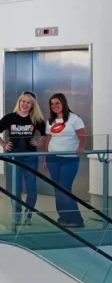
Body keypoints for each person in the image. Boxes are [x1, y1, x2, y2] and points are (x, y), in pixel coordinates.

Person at [0, 91, 47, 228]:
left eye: (29, 102)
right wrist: (3, 144)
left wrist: (39, 143)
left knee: (31, 189)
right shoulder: (10, 118)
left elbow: (46, 135)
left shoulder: (36, 119)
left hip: (31, 157)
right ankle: (17, 215)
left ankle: (28, 215)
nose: (25, 104)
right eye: (23, 101)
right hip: (14, 157)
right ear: (19, 102)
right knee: (15, 189)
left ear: (32, 105)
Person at [44, 92, 87, 227]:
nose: (54, 106)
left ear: (63, 103)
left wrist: (81, 147)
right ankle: (63, 218)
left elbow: (82, 135)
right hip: (53, 158)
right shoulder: (50, 121)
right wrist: (46, 157)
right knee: (57, 188)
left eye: (57, 103)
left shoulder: (75, 119)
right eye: (52, 104)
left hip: (69, 159)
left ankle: (76, 219)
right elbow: (48, 138)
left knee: (64, 188)